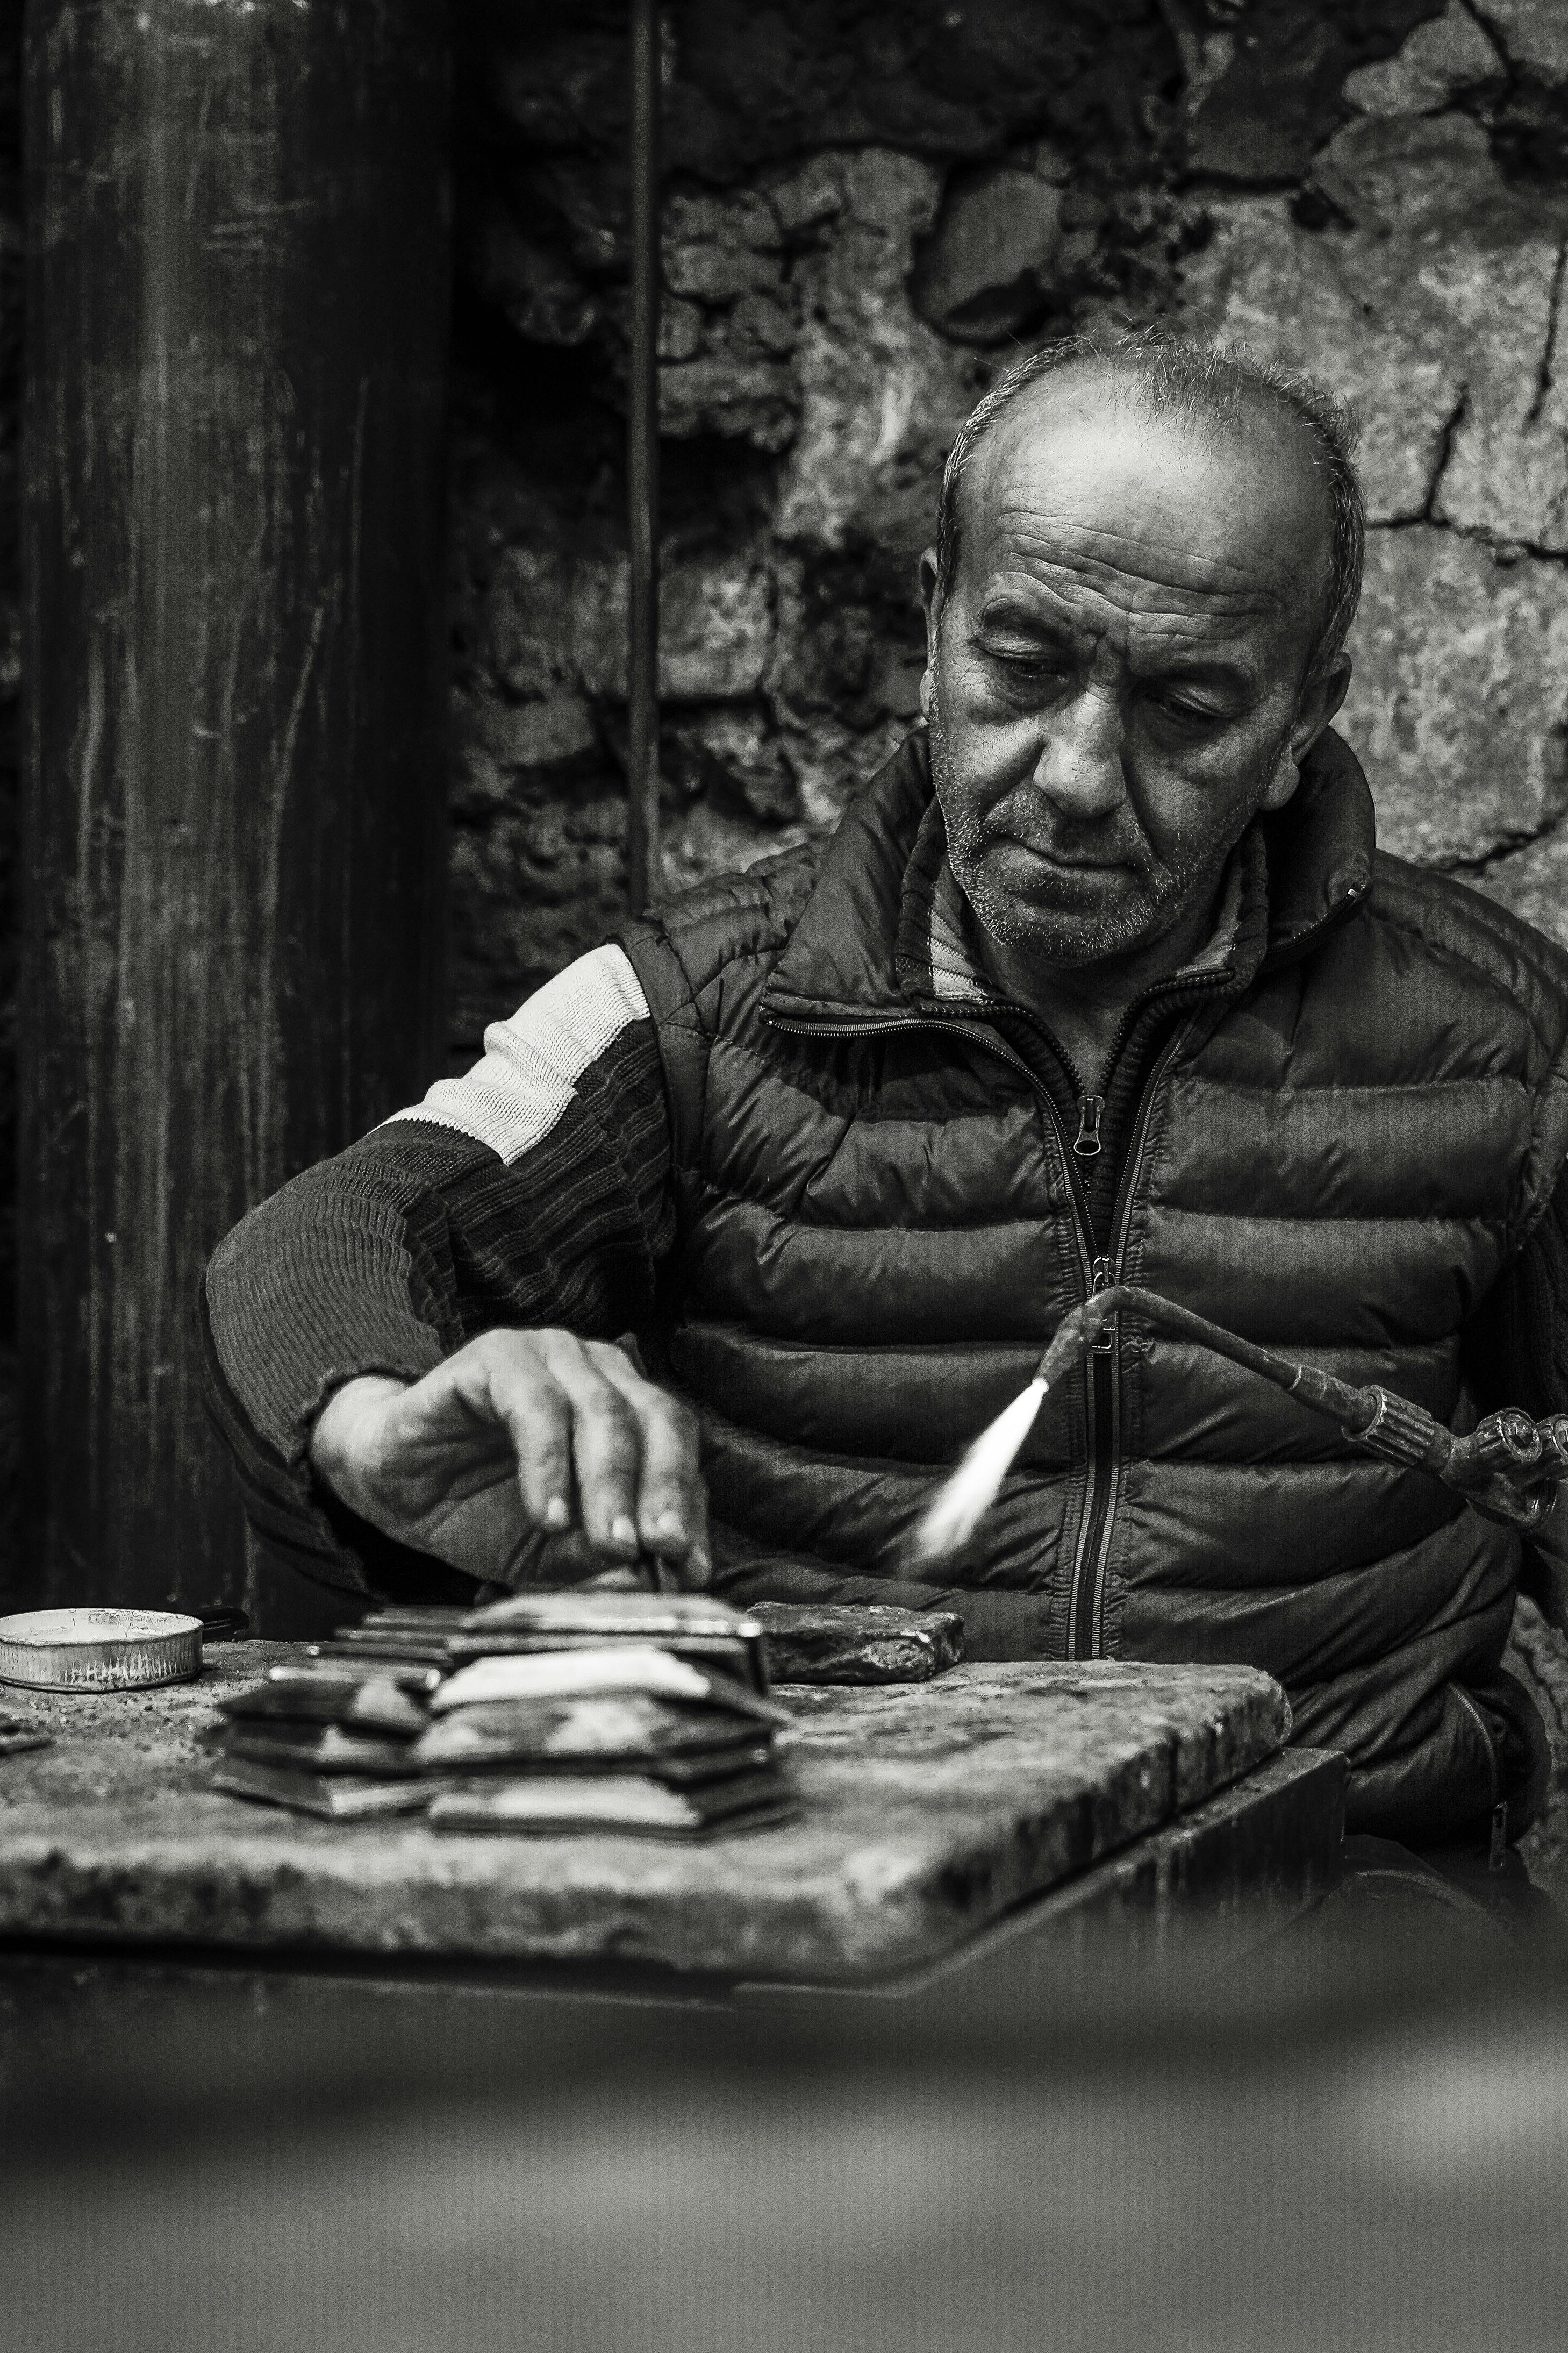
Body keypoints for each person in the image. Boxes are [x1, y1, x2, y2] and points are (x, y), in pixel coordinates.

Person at [202, 327, 1568, 1862]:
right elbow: (332, 1232)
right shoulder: (698, 1008)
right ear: (935, 628)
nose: (1072, 772)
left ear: (1303, 719)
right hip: (832, 1902)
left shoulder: (1508, 1040)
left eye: (1188, 709)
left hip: (1340, 1936)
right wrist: (372, 1426)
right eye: (1025, 665)